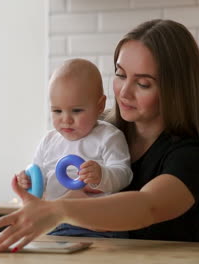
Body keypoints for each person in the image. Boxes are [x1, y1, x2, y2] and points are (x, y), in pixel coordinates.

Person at [0, 19, 199, 253]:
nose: (124, 92)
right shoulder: (96, 132)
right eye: (120, 75)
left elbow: (147, 206)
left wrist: (61, 210)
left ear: (176, 90)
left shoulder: (191, 155)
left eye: (143, 83)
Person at [15, 58, 133, 239]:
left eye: (76, 111)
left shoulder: (109, 137)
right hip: (55, 223)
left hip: (98, 225)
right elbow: (39, 179)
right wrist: (28, 181)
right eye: (57, 111)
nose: (66, 119)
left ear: (100, 105)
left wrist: (102, 175)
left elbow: (124, 174)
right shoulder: (48, 142)